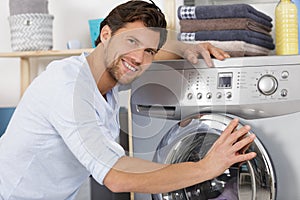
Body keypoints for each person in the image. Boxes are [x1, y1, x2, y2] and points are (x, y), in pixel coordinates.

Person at [0, 1, 256, 199]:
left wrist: (189, 48)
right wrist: (206, 168)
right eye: (131, 41)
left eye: (149, 51)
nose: (138, 58)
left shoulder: (107, 79)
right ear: (106, 35)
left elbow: (146, 54)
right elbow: (116, 176)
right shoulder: (67, 86)